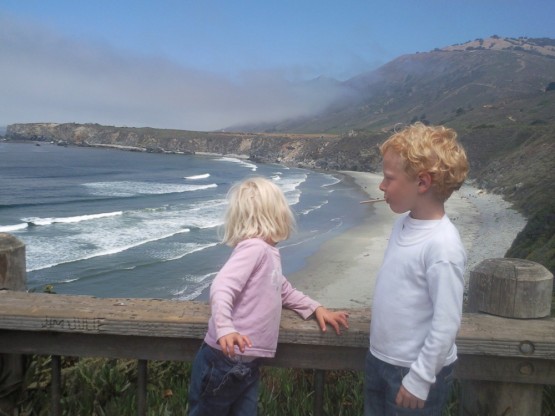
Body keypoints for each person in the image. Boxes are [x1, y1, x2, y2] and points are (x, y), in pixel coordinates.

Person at [188, 176, 349, 416]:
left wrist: (316, 309)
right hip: (224, 360)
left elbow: (284, 291)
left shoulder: (268, 253)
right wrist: (225, 328)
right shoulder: (254, 248)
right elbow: (222, 286)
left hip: (246, 364)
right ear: (275, 215)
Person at [364, 122, 469, 415]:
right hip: (381, 359)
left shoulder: (442, 246)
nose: (382, 186)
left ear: (422, 183)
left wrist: (421, 378)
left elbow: (447, 322)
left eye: (388, 178)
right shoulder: (403, 224)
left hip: (415, 372)